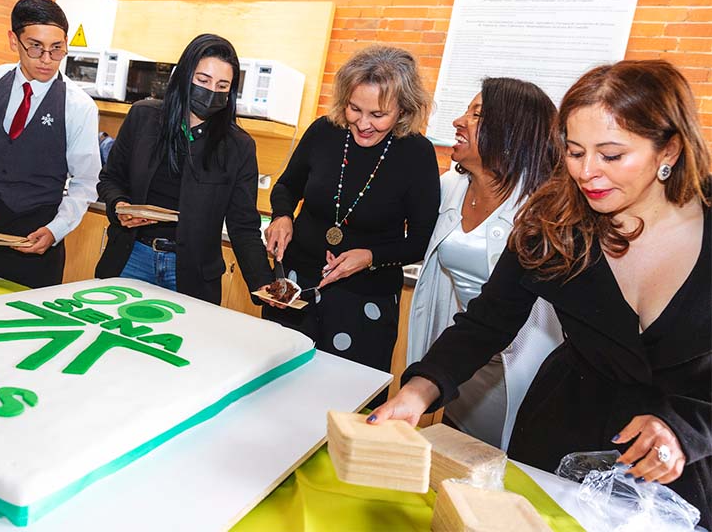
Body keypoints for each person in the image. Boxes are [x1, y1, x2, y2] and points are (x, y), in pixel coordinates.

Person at [371, 60, 711, 526]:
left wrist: (684, 431)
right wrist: (419, 390)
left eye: (611, 155)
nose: (587, 172)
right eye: (574, 152)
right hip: (564, 433)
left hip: (688, 464)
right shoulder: (555, 224)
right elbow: (488, 320)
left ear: (668, 147)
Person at [263, 45, 440, 394]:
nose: (363, 123)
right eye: (354, 108)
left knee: (343, 397)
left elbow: (420, 239)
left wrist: (370, 257)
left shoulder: (417, 154)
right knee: (276, 388)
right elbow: (286, 185)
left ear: (403, 109)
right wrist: (283, 216)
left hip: (364, 301)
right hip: (296, 285)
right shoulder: (324, 132)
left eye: (378, 114)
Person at [406, 78, 563, 450]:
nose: (459, 121)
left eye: (476, 115)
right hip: (463, 357)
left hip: (517, 367)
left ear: (512, 132)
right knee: (459, 451)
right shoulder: (451, 187)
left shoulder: (542, 209)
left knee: (515, 460)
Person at [94, 33, 272, 304]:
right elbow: (110, 179)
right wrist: (119, 206)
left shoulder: (238, 146)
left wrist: (263, 285)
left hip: (192, 273)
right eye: (203, 80)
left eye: (223, 85)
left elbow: (244, 226)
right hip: (131, 258)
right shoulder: (143, 117)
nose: (212, 90)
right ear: (184, 76)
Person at [0, 0, 101, 288]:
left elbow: (85, 182)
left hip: (38, 239)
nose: (46, 59)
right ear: (14, 41)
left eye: (57, 49)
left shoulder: (80, 107)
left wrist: (56, 230)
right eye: (36, 47)